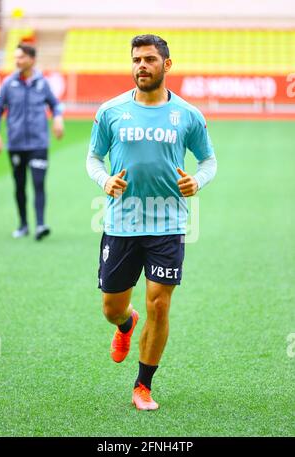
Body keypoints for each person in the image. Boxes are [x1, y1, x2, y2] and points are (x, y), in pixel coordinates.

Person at [86, 34, 217, 410]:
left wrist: (198, 180)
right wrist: (104, 180)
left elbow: (208, 160)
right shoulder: (111, 111)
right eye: (136, 60)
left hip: (169, 222)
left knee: (160, 304)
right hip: (121, 223)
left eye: (149, 59)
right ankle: (126, 325)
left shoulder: (188, 115)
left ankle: (142, 385)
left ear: (167, 65)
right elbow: (93, 157)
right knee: (112, 307)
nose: (141, 66)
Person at [0, 43, 64, 240]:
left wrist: (58, 118)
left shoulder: (42, 83)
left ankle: (41, 224)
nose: (17, 61)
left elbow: (55, 104)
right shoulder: (9, 83)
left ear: (32, 59)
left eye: (21, 57)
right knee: (19, 185)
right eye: (16, 57)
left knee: (38, 183)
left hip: (38, 144)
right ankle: (23, 224)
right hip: (16, 144)